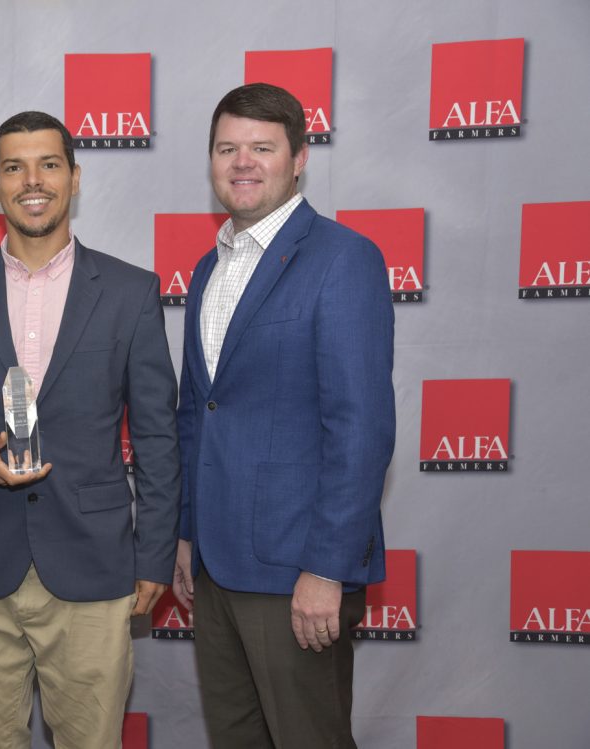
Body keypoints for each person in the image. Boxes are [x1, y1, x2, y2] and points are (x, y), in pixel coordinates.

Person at [0, 111, 180, 749]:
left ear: (74, 177)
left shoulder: (130, 291)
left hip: (95, 562)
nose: (33, 180)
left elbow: (160, 435)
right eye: (13, 167)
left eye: (49, 164)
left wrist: (155, 552)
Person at [173, 83, 395, 748]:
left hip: (298, 573)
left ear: (298, 157)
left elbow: (360, 428)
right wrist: (186, 533)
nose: (242, 162)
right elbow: (197, 414)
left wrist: (327, 569)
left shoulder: (343, 258)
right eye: (227, 148)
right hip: (216, 567)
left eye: (262, 148)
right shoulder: (208, 270)